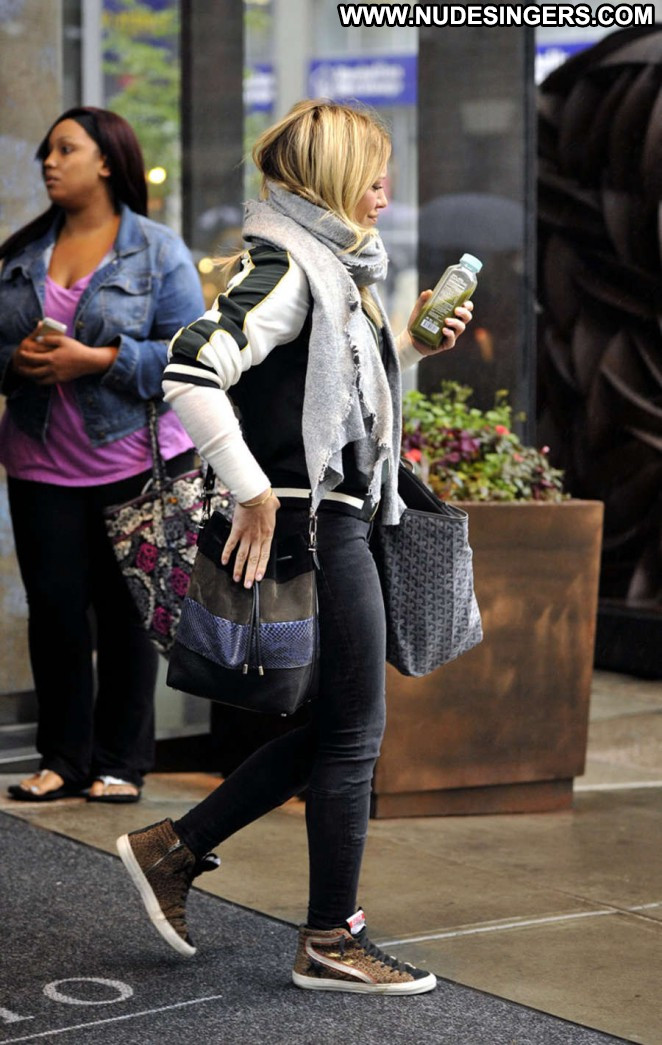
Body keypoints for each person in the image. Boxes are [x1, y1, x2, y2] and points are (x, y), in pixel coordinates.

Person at [117, 99, 473, 993]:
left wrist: (406, 346)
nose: (386, 186)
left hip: (339, 517)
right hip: (317, 523)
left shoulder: (329, 269)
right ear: (333, 176)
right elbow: (191, 368)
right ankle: (329, 938)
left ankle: (175, 846)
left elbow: (326, 403)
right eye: (373, 169)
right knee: (353, 736)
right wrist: (251, 491)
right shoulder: (287, 263)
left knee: (339, 728)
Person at [0, 107, 205, 803]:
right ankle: (62, 759)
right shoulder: (24, 251)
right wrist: (18, 362)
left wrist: (96, 359)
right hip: (39, 461)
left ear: (108, 162)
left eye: (66, 149)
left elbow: (189, 356)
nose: (49, 162)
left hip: (134, 463)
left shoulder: (158, 250)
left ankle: (120, 763)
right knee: (55, 614)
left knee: (125, 618)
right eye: (47, 152)